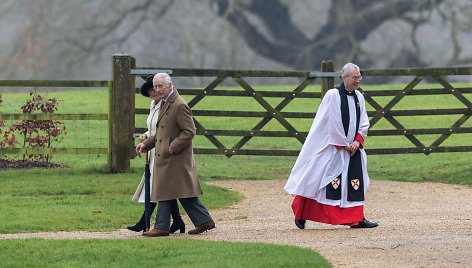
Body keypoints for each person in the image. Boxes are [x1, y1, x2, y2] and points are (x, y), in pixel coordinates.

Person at [284, 63, 378, 229]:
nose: (358, 81)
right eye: (355, 78)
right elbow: (331, 122)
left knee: (355, 183)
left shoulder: (359, 97)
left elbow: (364, 122)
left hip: (353, 149)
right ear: (344, 78)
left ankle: (356, 219)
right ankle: (301, 213)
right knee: (317, 179)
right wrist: (343, 144)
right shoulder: (332, 95)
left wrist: (357, 141)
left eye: (359, 78)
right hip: (333, 147)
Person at [136, 73, 215, 237]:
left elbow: (190, 131)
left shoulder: (179, 105)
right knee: (176, 191)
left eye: (160, 87)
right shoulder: (164, 103)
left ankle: (162, 226)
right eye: (155, 87)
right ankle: (203, 221)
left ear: (170, 86)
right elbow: (159, 133)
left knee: (169, 188)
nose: (157, 90)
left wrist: (172, 147)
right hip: (165, 156)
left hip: (175, 157)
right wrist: (145, 144)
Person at [127, 76, 185, 234]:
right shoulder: (154, 105)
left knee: (157, 186)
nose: (154, 93)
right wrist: (145, 136)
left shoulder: (166, 106)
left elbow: (169, 130)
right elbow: (154, 128)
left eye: (156, 89)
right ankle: (178, 221)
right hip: (153, 149)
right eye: (151, 91)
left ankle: (144, 221)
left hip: (164, 150)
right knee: (163, 187)